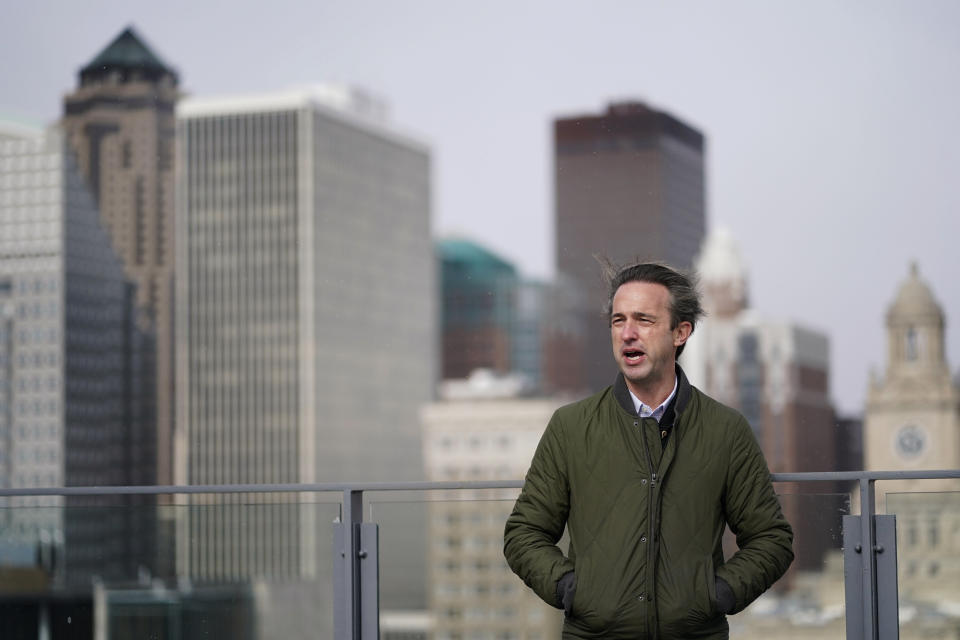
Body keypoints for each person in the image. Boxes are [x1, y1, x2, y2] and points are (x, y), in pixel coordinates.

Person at [503, 261, 793, 639]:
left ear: (680, 331)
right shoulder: (571, 427)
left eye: (643, 320)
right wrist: (572, 589)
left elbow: (771, 538)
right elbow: (524, 533)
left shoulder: (725, 430)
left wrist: (715, 595)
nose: (627, 334)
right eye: (618, 320)